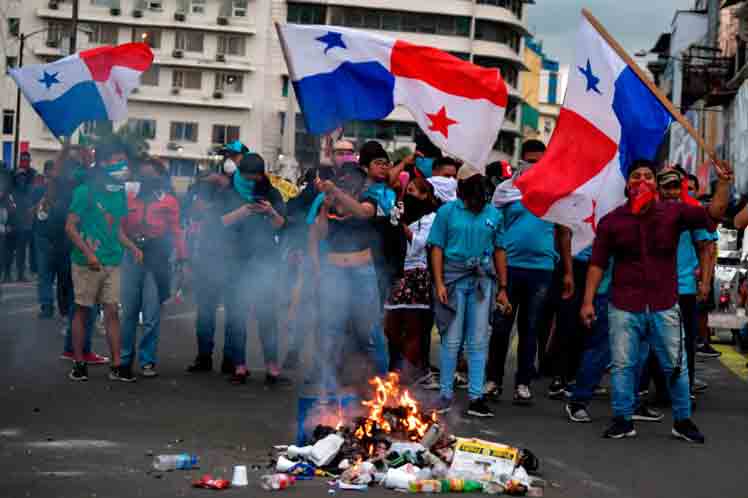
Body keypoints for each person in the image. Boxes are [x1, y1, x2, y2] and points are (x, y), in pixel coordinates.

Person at [580, 159, 721, 443]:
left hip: (664, 304)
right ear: (628, 185)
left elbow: (713, 214)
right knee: (623, 365)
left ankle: (682, 420)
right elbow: (597, 264)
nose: (642, 180)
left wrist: (725, 183)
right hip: (624, 305)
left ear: (655, 185)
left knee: (676, 365)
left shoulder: (674, 213)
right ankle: (622, 419)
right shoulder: (613, 221)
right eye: (636, 176)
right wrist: (587, 301)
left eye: (648, 176)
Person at [486, 140, 574, 405]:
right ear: (521, 161)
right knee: (501, 327)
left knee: (531, 328)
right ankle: (493, 381)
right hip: (508, 269)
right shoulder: (505, 190)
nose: (535, 166)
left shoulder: (555, 191)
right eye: (530, 160)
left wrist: (568, 271)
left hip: (542, 271)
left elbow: (563, 233)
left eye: (540, 161)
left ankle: (523, 383)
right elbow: (491, 226)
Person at [428, 165, 510, 418]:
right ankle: (445, 394)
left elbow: (499, 250)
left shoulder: (494, 214)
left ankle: (476, 397)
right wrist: (440, 283)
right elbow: (437, 248)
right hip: (453, 281)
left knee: (477, 341)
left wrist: (503, 288)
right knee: (451, 340)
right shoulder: (447, 211)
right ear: (463, 189)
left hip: (482, 283)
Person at [312, 142, 395, 394]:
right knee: (332, 330)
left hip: (362, 270)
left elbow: (362, 212)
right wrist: (325, 206)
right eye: (342, 178)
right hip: (334, 271)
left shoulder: (372, 195)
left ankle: (384, 390)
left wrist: (336, 193)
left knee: (370, 333)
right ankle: (328, 388)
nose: (347, 181)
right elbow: (319, 234)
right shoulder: (329, 199)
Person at [65, 140, 141, 382]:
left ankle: (117, 366)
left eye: (123, 160)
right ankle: (78, 362)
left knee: (112, 311)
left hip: (112, 261)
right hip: (86, 262)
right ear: (104, 163)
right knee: (82, 310)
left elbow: (116, 229)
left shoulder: (119, 193)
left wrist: (132, 247)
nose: (123, 165)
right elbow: (70, 227)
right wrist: (89, 254)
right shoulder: (84, 191)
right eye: (117, 160)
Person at [220, 153, 288, 386]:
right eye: (247, 177)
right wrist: (243, 211)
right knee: (237, 315)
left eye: (255, 177)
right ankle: (239, 366)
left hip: (265, 261)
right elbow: (218, 223)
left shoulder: (271, 192)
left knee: (267, 316)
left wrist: (270, 211)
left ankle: (272, 366)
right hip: (236, 261)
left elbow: (281, 225)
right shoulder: (229, 192)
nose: (251, 181)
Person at [120, 157, 187, 379]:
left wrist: (183, 259)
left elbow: (177, 231)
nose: (146, 178)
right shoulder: (128, 197)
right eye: (143, 174)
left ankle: (147, 360)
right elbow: (117, 227)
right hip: (131, 255)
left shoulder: (169, 200)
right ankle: (124, 359)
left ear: (160, 176)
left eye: (151, 174)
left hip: (156, 259)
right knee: (129, 312)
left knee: (151, 313)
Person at [384, 177, 439, 383]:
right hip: (398, 272)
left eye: (414, 191)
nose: (409, 194)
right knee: (391, 325)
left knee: (414, 326)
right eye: (408, 190)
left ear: (425, 195)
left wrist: (403, 225)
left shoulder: (431, 218)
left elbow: (420, 244)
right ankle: (397, 365)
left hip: (417, 274)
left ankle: (410, 371)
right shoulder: (401, 212)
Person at [185, 172, 234, 374]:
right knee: (205, 313)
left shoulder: (237, 191)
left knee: (233, 313)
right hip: (207, 260)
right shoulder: (203, 189)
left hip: (231, 260)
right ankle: (204, 357)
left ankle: (230, 359)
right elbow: (193, 213)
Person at [34, 152, 76, 319]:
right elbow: (37, 214)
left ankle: (64, 309)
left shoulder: (69, 191)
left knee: (64, 276)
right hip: (44, 238)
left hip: (64, 240)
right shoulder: (40, 191)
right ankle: (46, 306)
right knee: (45, 274)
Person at [9, 154, 36, 281]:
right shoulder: (13, 173)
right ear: (20, 161)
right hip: (14, 213)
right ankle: (7, 273)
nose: (25, 163)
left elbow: (32, 192)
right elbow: (9, 191)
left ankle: (21, 273)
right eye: (23, 161)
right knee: (9, 246)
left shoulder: (32, 174)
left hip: (27, 214)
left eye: (27, 161)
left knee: (22, 246)